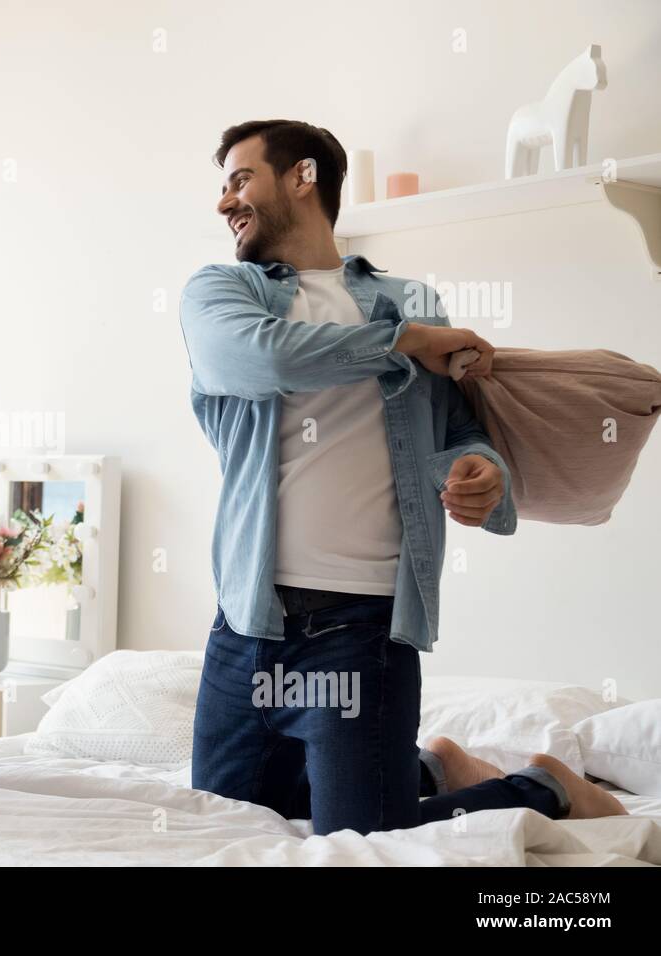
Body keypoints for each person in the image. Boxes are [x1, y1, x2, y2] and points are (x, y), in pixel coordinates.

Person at [179, 119, 627, 835]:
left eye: (239, 179)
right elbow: (259, 360)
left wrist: (482, 471)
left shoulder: (411, 301)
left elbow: (455, 431)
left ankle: (543, 787)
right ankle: (427, 768)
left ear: (304, 177)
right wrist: (406, 344)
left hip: (359, 631)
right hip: (244, 628)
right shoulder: (222, 294)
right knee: (237, 822)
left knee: (362, 843)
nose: (223, 202)